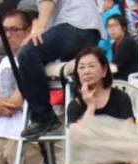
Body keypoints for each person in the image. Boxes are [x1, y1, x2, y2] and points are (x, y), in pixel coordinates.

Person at [65, 47, 134, 164]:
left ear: (104, 70)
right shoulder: (75, 105)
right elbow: (78, 138)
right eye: (81, 67)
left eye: (91, 66)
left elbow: (128, 135)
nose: (86, 71)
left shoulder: (120, 98)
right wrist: (90, 107)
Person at [17, 0, 103, 139]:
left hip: (74, 23)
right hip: (90, 28)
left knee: (27, 54)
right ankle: (81, 118)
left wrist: (40, 27)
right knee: (70, 78)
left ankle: (43, 116)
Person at [0, 10, 41, 164]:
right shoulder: (4, 61)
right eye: (5, 30)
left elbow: (15, 103)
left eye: (14, 29)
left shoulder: (32, 58)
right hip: (2, 134)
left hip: (23, 136)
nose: (8, 35)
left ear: (27, 30)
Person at [104, 14, 138, 78]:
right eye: (109, 26)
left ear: (124, 28)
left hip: (132, 79)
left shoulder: (127, 42)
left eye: (115, 25)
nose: (111, 29)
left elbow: (114, 67)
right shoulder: (115, 44)